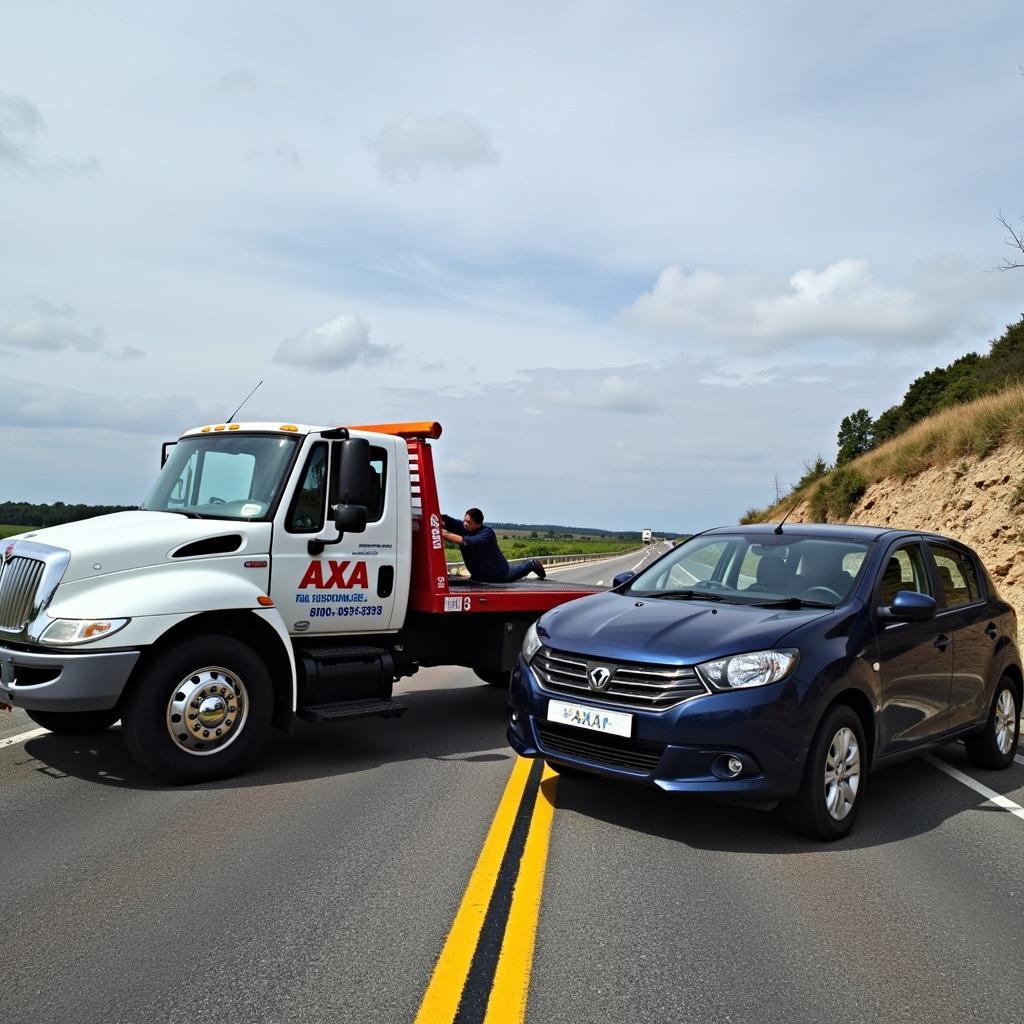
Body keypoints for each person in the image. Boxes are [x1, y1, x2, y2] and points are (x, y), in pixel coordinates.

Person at [441, 508, 546, 583]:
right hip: (478, 576)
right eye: (464, 520)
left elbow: (468, 542)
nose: (465, 524)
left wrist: (444, 534)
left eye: (468, 522)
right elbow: (446, 519)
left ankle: (531, 564)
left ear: (478, 523)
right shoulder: (463, 527)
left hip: (499, 575)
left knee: (523, 567)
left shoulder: (486, 534)